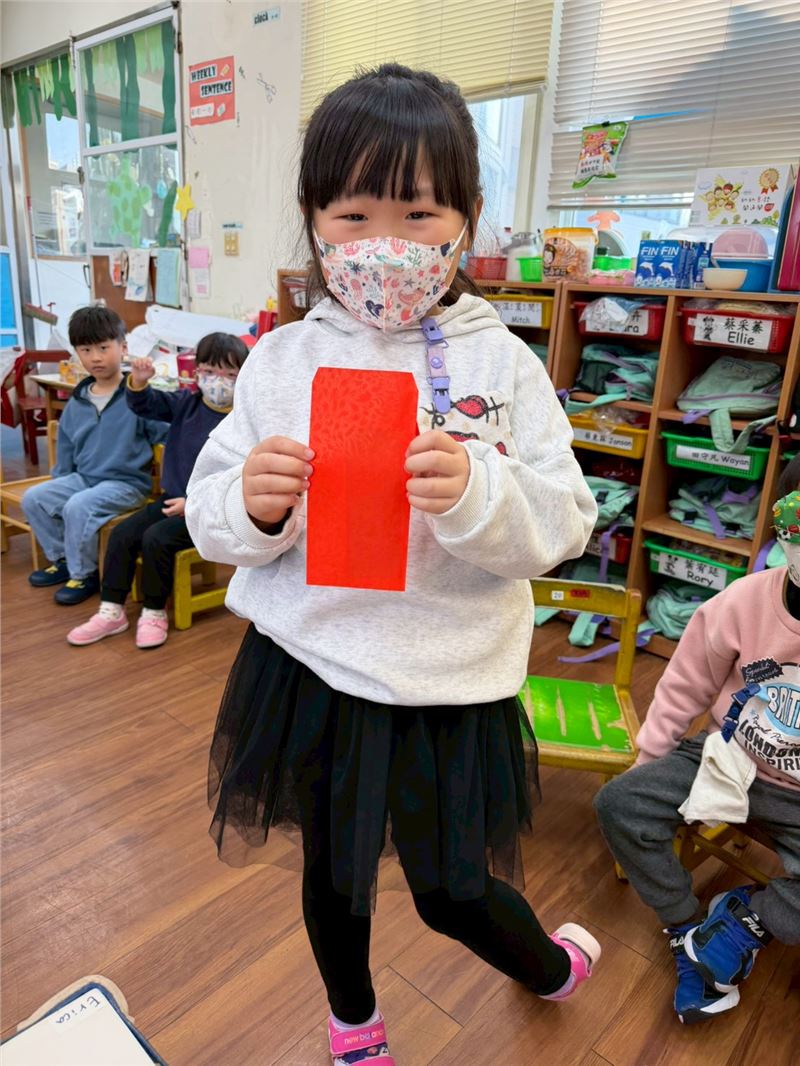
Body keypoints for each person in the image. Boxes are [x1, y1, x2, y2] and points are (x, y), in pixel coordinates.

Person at [186, 65, 599, 1066]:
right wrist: (253, 505)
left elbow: (564, 521)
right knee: (333, 877)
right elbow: (209, 513)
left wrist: (476, 491)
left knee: (452, 887)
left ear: (466, 219)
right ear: (314, 221)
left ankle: (546, 966)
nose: (385, 243)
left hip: (449, 682)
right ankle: (353, 1021)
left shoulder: (502, 363)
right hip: (310, 669)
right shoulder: (282, 360)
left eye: (417, 213)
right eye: (354, 213)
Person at [594, 455, 800, 1026]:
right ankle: (688, 931)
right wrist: (650, 760)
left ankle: (740, 925)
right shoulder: (743, 603)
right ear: (781, 526)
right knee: (619, 803)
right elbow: (686, 683)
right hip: (726, 758)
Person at [66, 332, 249, 649]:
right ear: (197, 372)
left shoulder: (243, 421)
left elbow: (241, 476)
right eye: (210, 371)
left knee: (157, 538)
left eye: (230, 374)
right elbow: (145, 404)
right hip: (171, 501)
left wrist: (192, 503)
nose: (219, 381)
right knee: (123, 534)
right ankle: (111, 610)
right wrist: (138, 381)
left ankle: (154, 612)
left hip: (211, 512)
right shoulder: (187, 404)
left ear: (244, 376)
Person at [22, 306, 167, 606]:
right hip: (84, 479)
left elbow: (165, 434)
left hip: (126, 485)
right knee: (34, 498)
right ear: (77, 353)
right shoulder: (77, 402)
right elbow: (65, 450)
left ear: (123, 347)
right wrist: (60, 483)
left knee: (78, 506)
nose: (95, 357)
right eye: (86, 350)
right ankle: (63, 559)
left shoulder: (138, 396)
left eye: (103, 348)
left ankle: (84, 574)